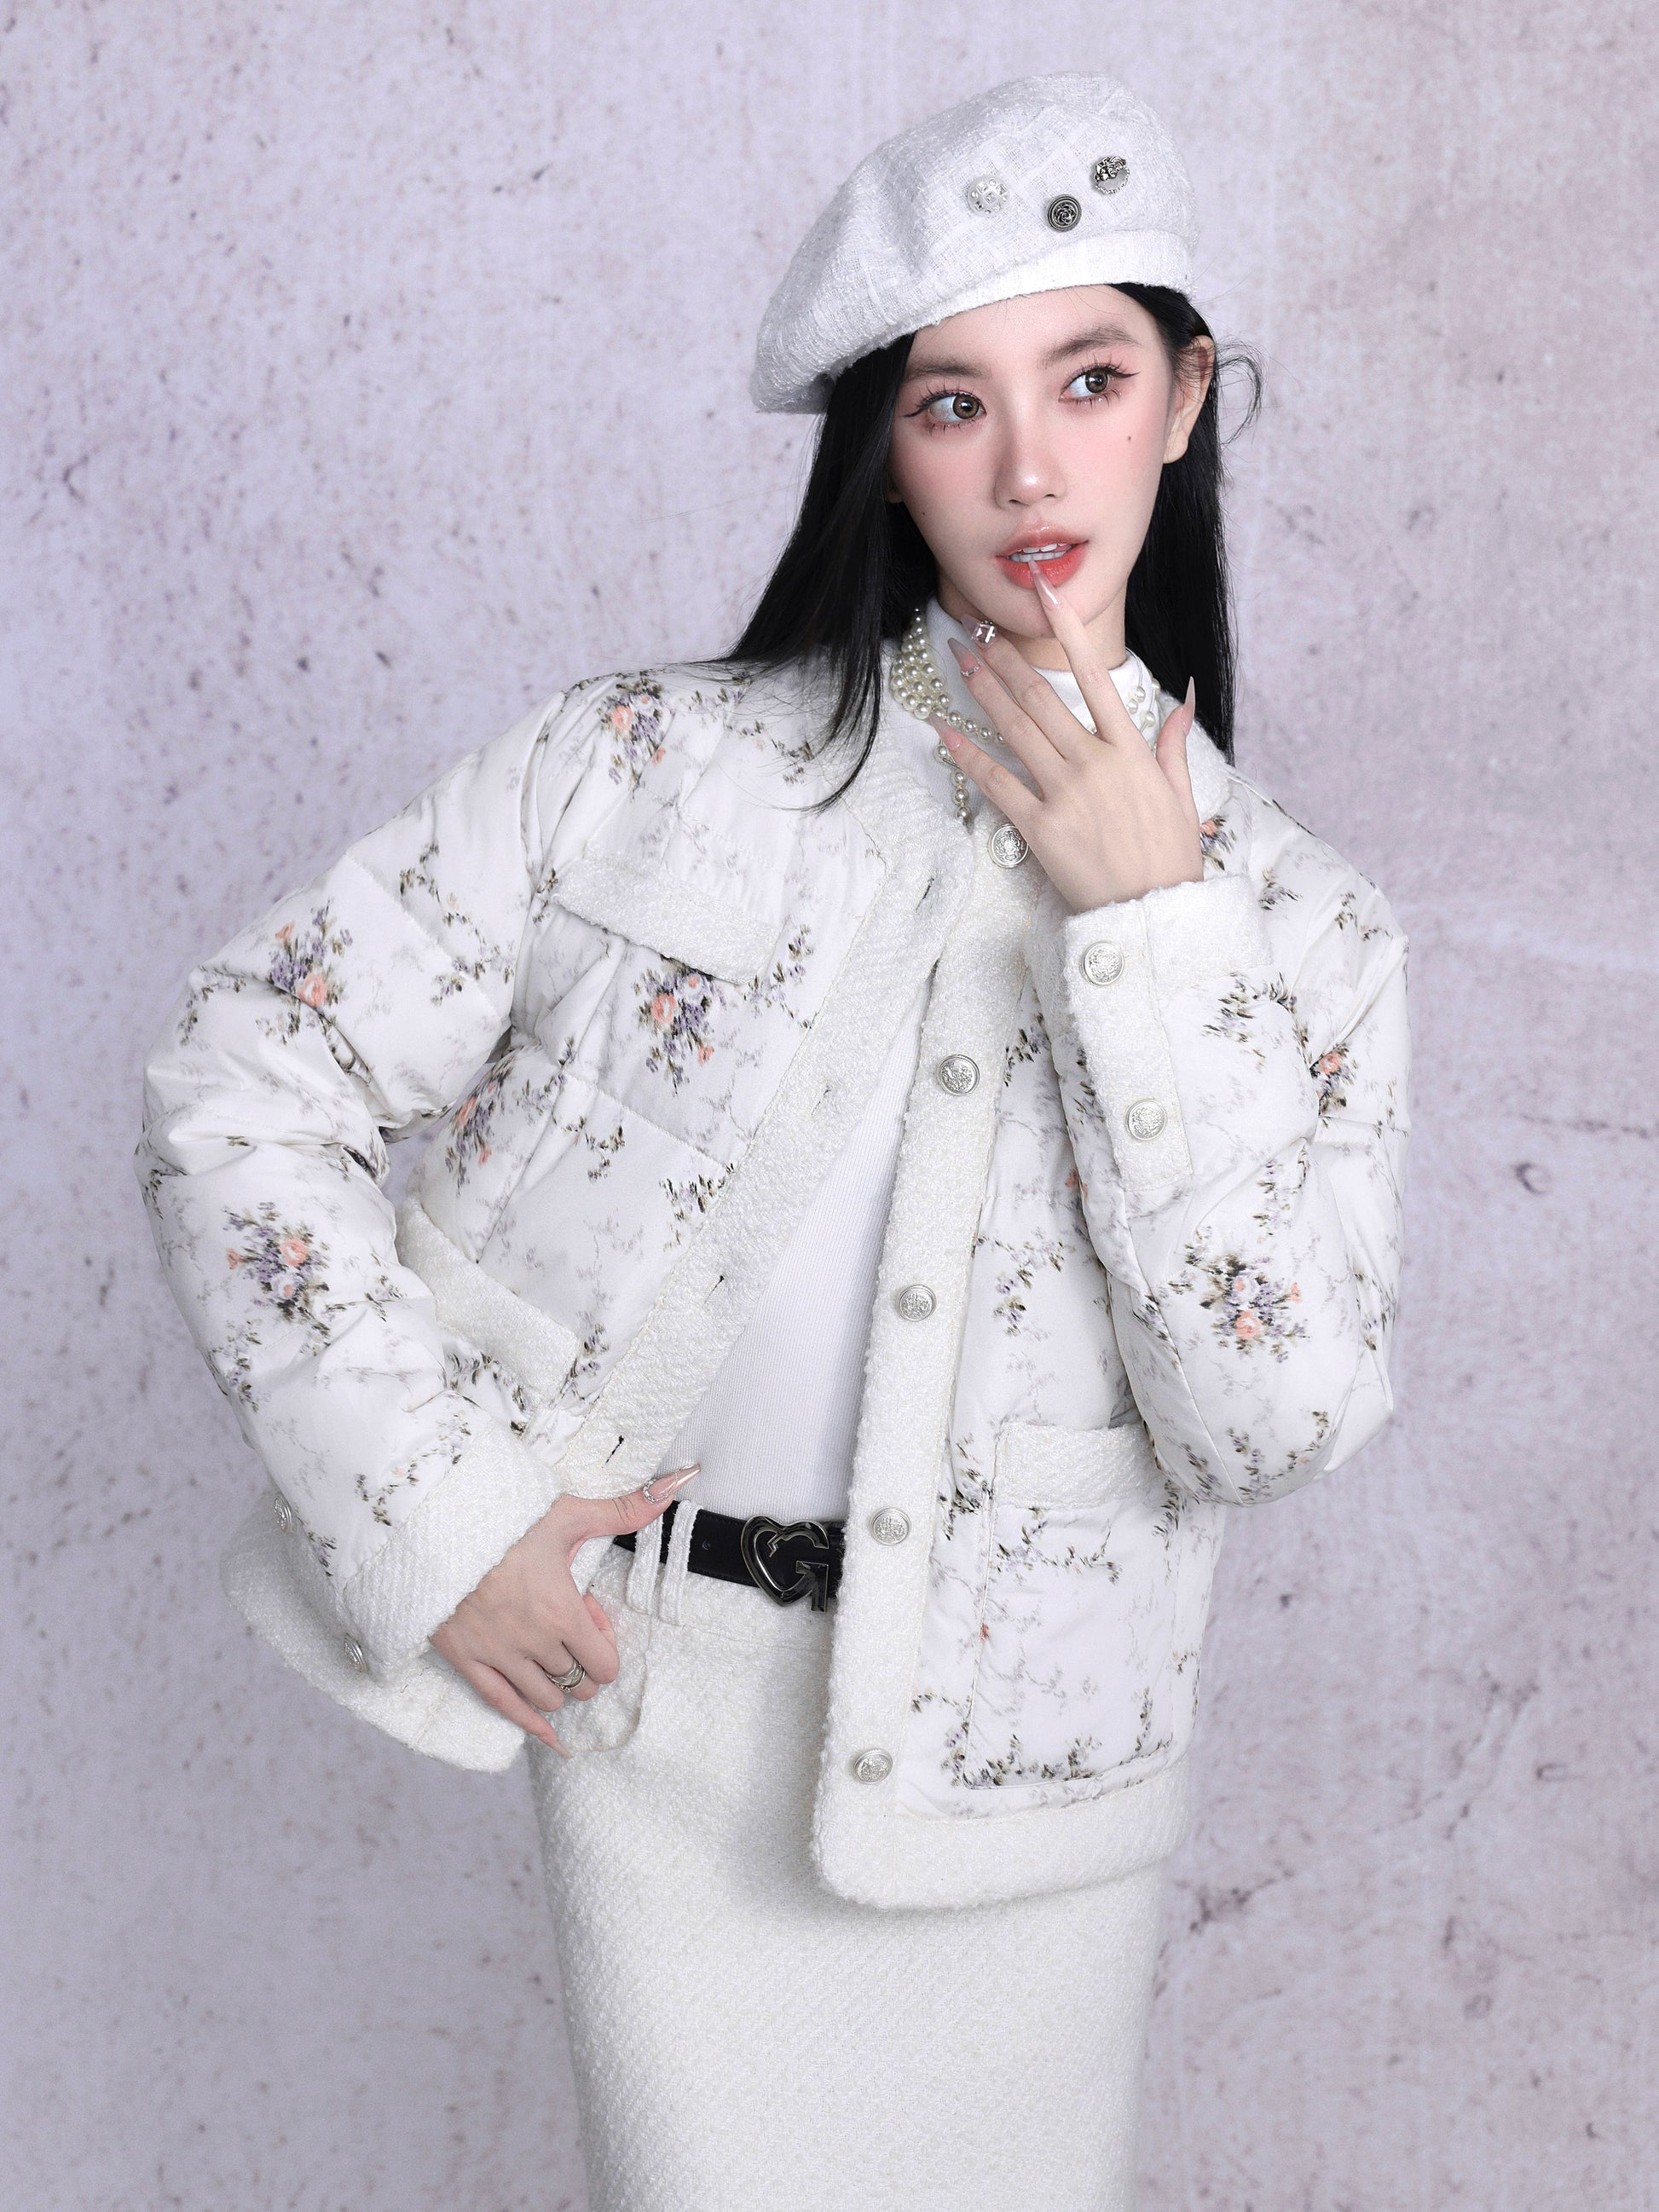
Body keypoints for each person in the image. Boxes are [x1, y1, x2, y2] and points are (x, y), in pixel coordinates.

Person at [136, 72, 1409, 2212]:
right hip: (660, 1725)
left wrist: (1151, 927)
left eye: (1090, 379)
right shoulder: (649, 765)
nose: (1027, 467)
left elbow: (1268, 1418)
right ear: (882, 445)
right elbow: (244, 1061)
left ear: (1185, 399)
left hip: (1026, 1782)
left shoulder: (1305, 929)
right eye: (951, 403)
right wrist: (441, 1513)